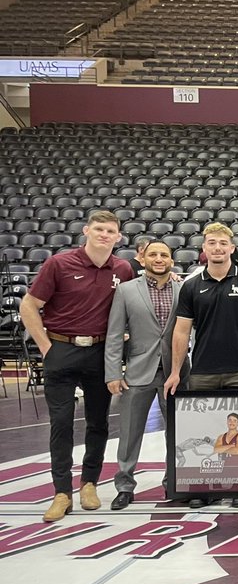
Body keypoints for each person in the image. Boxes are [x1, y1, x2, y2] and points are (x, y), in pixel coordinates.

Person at [20, 209, 135, 522]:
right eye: (98, 229)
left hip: (99, 354)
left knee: (98, 423)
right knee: (61, 423)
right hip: (61, 348)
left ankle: (89, 484)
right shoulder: (59, 264)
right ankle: (61, 492)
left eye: (110, 231)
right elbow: (28, 305)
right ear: (86, 230)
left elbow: (135, 302)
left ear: (118, 237)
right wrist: (46, 347)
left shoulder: (123, 269)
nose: (103, 235)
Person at [166, 222, 238, 509]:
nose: (218, 248)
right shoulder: (191, 286)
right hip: (202, 372)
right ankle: (203, 486)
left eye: (223, 243)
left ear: (232, 248)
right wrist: (175, 372)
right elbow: (181, 331)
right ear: (204, 248)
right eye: (212, 242)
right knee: (205, 432)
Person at [104, 240, 188, 511]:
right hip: (138, 372)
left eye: (164, 254)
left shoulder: (183, 289)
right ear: (142, 259)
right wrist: (113, 372)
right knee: (129, 433)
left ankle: (172, 483)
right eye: (153, 254)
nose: (159, 258)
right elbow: (115, 334)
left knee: (177, 434)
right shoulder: (126, 291)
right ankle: (124, 486)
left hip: (175, 372)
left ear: (172, 260)